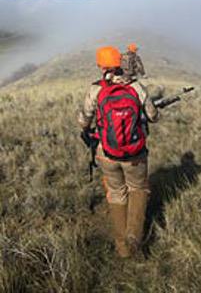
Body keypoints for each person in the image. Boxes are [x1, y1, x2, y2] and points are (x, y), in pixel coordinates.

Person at [78, 46, 160, 259]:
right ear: (119, 63)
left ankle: (122, 247)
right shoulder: (136, 87)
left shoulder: (95, 89)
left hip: (106, 152)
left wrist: (89, 127)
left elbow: (83, 120)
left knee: (116, 193)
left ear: (101, 66)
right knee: (138, 189)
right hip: (135, 154)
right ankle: (134, 236)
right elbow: (153, 116)